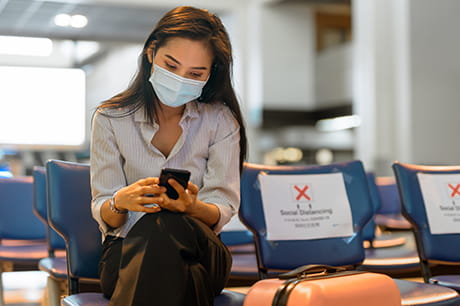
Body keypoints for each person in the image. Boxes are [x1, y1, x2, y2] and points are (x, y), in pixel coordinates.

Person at [90, 6, 247, 306]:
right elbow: (104, 210)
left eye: (195, 73)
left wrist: (192, 207)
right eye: (171, 66)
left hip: (202, 248)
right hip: (125, 253)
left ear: (210, 74)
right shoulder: (111, 117)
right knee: (177, 262)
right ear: (151, 53)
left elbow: (223, 208)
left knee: (164, 224)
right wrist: (118, 202)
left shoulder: (221, 121)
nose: (180, 79)